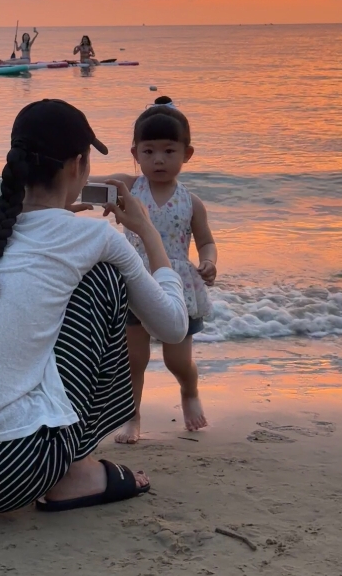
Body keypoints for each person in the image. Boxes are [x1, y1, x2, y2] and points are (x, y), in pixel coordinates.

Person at [0, 98, 187, 514]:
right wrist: (145, 229)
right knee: (104, 277)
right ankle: (78, 471)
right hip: (4, 472)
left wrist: (51, 221)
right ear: (77, 166)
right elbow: (174, 326)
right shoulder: (97, 238)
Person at [91, 96, 217, 444]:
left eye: (168, 151)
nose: (158, 159)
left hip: (178, 286)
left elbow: (205, 241)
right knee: (134, 359)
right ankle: (132, 417)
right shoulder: (129, 188)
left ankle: (189, 391)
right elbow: (85, 185)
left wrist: (209, 261)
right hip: (134, 281)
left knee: (178, 360)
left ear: (186, 154)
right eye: (148, 152)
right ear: (135, 154)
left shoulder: (191, 202)